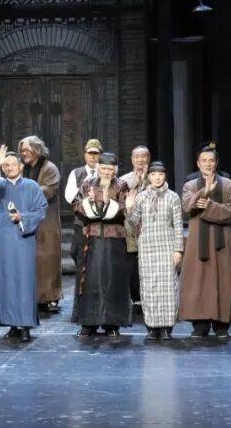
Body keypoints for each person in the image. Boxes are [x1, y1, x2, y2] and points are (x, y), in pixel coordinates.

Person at [0, 145, 48, 342]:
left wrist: (23, 217)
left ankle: (25, 325)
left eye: (13, 164)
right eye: (6, 165)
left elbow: (41, 210)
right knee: (5, 281)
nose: (9, 168)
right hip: (3, 241)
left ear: (21, 166)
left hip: (23, 239)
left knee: (24, 282)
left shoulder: (31, 186)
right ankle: (11, 324)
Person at [180, 144, 231, 339]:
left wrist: (209, 205)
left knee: (222, 279)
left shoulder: (228, 185)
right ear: (198, 163)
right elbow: (187, 207)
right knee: (198, 280)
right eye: (203, 160)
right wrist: (204, 192)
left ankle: (221, 324)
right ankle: (200, 324)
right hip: (198, 239)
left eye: (211, 160)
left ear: (216, 163)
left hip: (221, 239)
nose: (207, 164)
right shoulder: (190, 185)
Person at [72, 152, 133, 338]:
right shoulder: (87, 184)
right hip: (92, 238)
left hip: (114, 239)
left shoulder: (122, 185)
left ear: (115, 170)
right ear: (98, 168)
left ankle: (111, 323)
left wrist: (108, 203)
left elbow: (126, 207)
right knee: (90, 281)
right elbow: (76, 204)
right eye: (104, 168)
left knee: (113, 281)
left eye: (110, 169)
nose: (107, 172)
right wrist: (89, 203)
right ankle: (88, 323)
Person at [125, 161, 182, 340]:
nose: (157, 178)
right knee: (149, 287)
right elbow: (133, 222)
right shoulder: (142, 197)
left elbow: (178, 225)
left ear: (165, 176)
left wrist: (178, 250)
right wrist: (129, 206)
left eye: (160, 174)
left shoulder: (173, 197)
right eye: (153, 174)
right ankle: (151, 327)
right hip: (147, 247)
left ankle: (166, 327)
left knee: (168, 287)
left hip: (167, 246)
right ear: (149, 177)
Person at [20, 136, 63, 313]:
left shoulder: (49, 168)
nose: (23, 153)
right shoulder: (23, 168)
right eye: (22, 150)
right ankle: (35, 297)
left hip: (46, 221)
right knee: (31, 260)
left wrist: (25, 190)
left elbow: (49, 190)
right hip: (27, 219)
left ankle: (51, 297)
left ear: (37, 150)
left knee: (48, 260)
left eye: (26, 150)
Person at [64, 139, 103, 276]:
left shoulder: (104, 172)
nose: (93, 157)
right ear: (85, 155)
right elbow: (70, 196)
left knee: (97, 254)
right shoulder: (76, 173)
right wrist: (85, 205)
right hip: (81, 221)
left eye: (96, 154)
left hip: (100, 222)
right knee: (77, 251)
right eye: (90, 153)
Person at [120, 146, 151, 311]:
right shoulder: (124, 180)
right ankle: (135, 298)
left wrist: (146, 181)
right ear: (132, 159)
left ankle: (149, 297)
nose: (140, 160)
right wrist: (137, 184)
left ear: (148, 158)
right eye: (137, 157)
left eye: (143, 157)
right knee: (132, 264)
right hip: (130, 228)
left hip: (149, 228)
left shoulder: (155, 177)